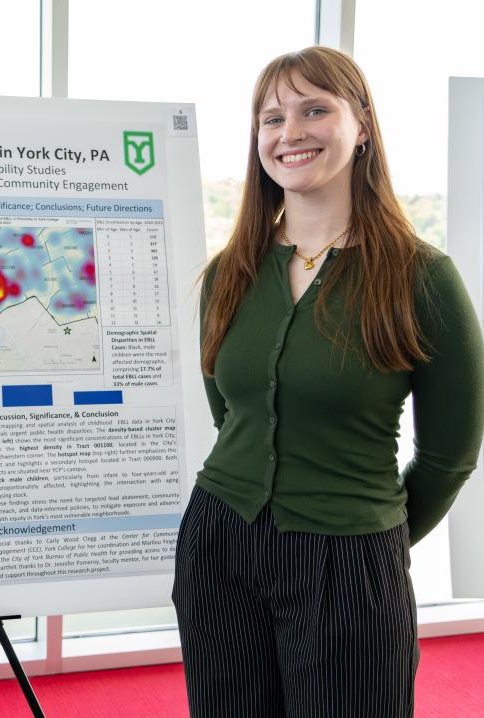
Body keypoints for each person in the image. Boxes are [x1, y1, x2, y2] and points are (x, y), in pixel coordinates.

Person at [171, 46, 484, 718]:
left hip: (351, 560)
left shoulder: (421, 277)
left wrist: (372, 539)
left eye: (314, 110)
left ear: (361, 125)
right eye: (272, 117)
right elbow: (231, 420)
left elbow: (450, 455)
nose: (290, 133)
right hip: (218, 542)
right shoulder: (229, 273)